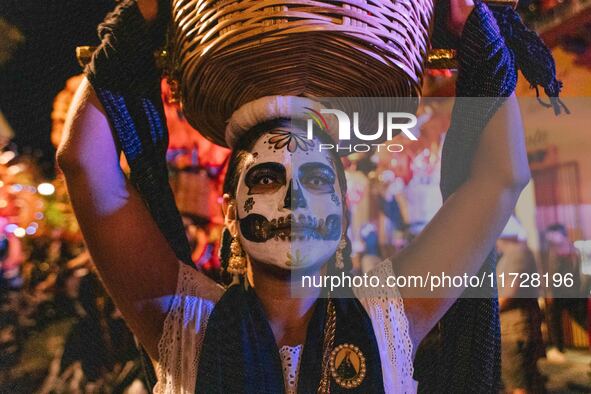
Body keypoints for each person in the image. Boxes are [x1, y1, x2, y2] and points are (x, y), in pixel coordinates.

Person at [56, 0, 544, 392]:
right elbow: (83, 164)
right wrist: (134, 21)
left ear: (342, 213)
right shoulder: (183, 324)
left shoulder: (389, 319)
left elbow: (499, 181)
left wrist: (478, 27)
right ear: (229, 215)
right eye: (267, 178)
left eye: (315, 181)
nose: (295, 201)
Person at [496, 216, 546, 393]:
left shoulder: (517, 254)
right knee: (525, 379)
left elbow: (509, 292)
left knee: (518, 384)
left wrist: (489, 312)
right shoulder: (513, 255)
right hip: (516, 329)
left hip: (514, 330)